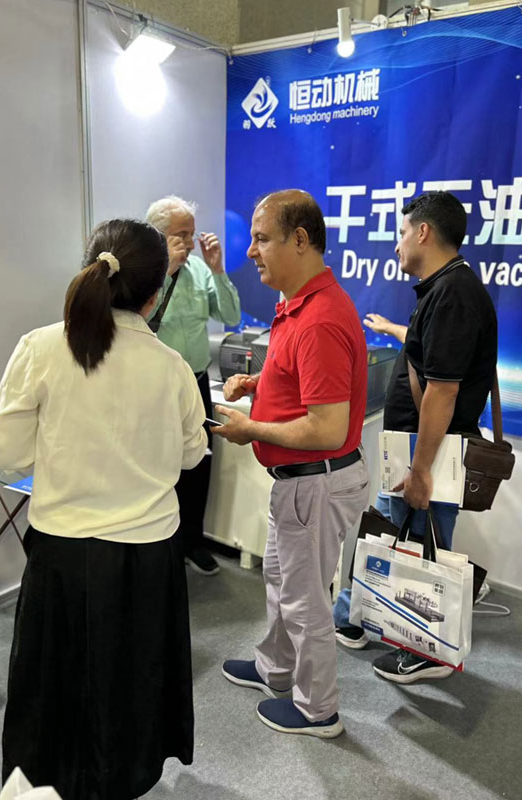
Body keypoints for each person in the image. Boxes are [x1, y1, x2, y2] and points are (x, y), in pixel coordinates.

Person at [0, 220, 207, 800]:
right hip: (148, 556)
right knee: (132, 685)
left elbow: (6, 455)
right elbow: (191, 455)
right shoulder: (172, 367)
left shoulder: (41, 348)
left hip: (63, 554)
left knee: (52, 690)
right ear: (155, 294)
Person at [213, 189, 370, 739]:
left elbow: (327, 428)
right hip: (301, 484)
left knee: (305, 601)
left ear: (300, 240)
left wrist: (251, 428)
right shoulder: (298, 304)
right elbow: (303, 378)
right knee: (281, 579)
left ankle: (317, 710)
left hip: (315, 483)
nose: (250, 250)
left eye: (262, 239)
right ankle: (275, 669)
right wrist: (260, 383)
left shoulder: (319, 317)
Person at [333, 191, 498, 684]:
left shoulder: (454, 295)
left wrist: (421, 469)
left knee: (424, 547)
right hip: (413, 448)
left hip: (429, 452)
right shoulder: (443, 289)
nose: (398, 244)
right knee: (392, 533)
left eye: (403, 232)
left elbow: (443, 391)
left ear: (423, 232)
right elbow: (431, 356)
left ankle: (429, 649)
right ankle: (355, 614)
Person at [146, 196, 241, 576]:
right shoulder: (145, 274)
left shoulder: (201, 270)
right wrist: (166, 270)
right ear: (157, 236)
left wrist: (217, 270)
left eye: (191, 233)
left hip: (197, 381)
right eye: (180, 234)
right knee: (160, 464)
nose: (189, 242)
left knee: (200, 461)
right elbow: (138, 323)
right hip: (156, 389)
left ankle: (193, 541)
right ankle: (162, 547)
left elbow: (231, 314)